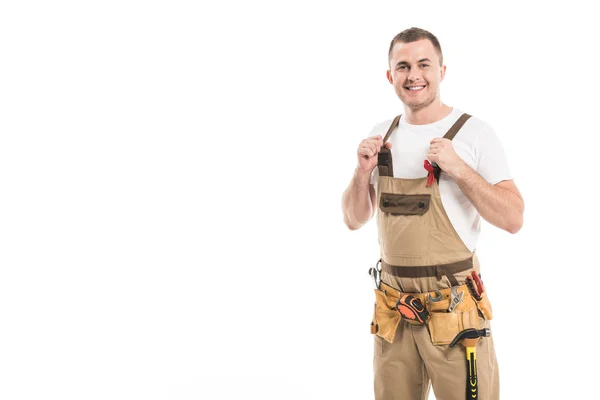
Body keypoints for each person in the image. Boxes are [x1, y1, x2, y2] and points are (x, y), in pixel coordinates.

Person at [341, 27, 524, 400]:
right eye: (403, 66)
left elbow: (513, 218)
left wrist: (458, 168)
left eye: (424, 64)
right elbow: (353, 218)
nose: (414, 75)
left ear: (442, 70)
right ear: (390, 75)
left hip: (453, 310)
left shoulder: (474, 134)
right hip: (394, 309)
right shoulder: (382, 136)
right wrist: (362, 173)